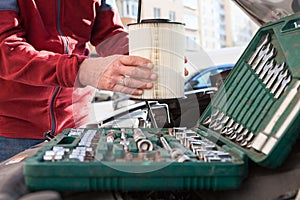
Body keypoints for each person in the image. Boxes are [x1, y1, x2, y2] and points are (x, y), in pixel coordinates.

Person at [0, 0, 158, 162]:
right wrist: (81, 70)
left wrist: (152, 57)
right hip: (13, 132)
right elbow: (6, 51)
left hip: (75, 126)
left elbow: (110, 34)